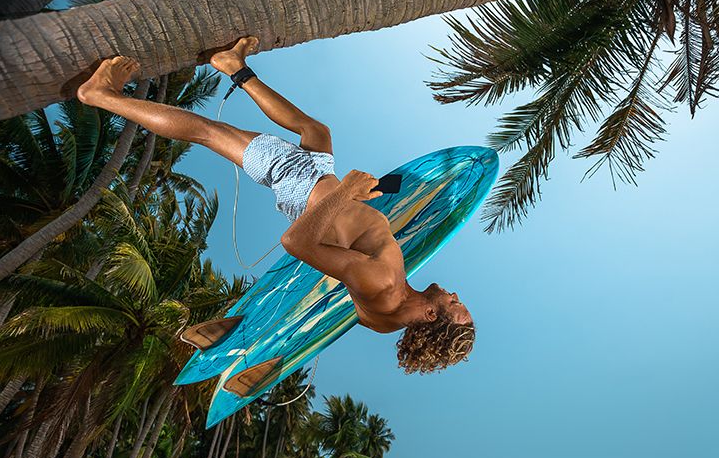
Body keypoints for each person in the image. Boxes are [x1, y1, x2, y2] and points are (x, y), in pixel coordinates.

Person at [77, 36, 474, 374]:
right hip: (321, 182)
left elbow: (296, 243)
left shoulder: (385, 285)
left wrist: (346, 192)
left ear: (430, 317)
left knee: (209, 133)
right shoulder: (386, 321)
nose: (455, 294)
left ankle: (100, 95)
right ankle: (233, 65)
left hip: (306, 187)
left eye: (454, 305)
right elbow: (349, 263)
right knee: (316, 131)